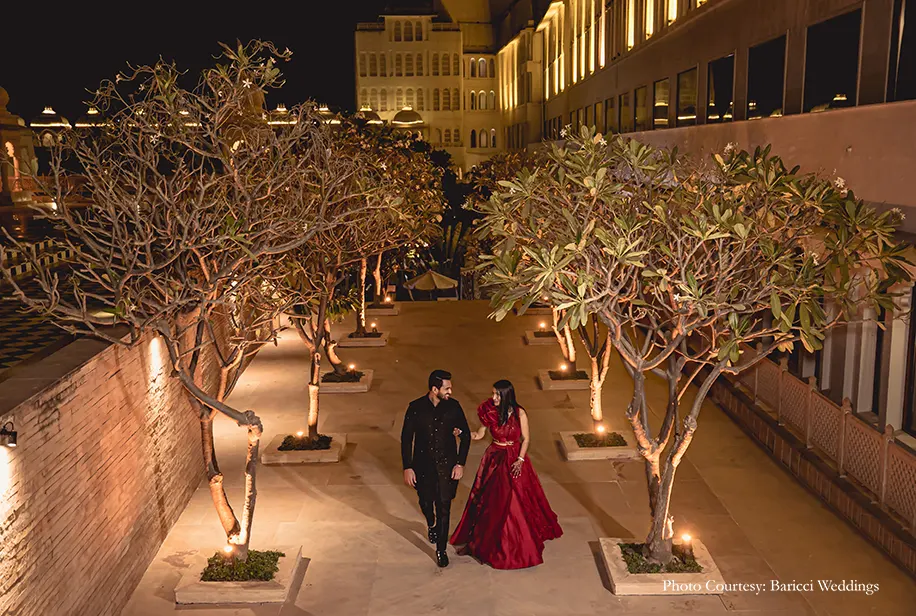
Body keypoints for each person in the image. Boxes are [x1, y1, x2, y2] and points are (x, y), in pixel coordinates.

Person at [450, 379, 562, 569]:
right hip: (495, 457)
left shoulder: (520, 413)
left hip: (515, 457)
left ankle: (518, 540)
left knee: (516, 498)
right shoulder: (489, 411)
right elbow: (479, 435)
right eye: (493, 393)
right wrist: (463, 433)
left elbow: (526, 439)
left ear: (506, 395)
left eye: (497, 394)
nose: (493, 397)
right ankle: (496, 541)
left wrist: (520, 459)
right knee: (495, 499)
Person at [401, 369, 471, 567]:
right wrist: (408, 467)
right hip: (422, 467)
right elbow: (406, 439)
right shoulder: (415, 408)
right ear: (434, 389)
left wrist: (460, 463)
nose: (450, 391)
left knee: (444, 508)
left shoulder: (454, 407)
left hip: (446, 467)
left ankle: (441, 549)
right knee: (425, 502)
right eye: (447, 388)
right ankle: (431, 522)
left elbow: (465, 435)